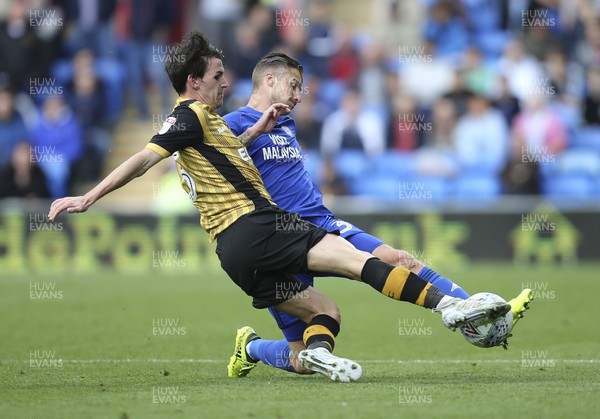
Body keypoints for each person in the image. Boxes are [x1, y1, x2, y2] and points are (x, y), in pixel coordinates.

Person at [48, 31, 514, 383]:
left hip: (234, 252)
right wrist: (88, 196)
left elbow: (221, 158)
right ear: (194, 81)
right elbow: (146, 158)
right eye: (216, 76)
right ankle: (452, 307)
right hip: (272, 228)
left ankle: (260, 350)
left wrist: (256, 132)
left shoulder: (221, 124)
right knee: (365, 264)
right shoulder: (192, 115)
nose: (223, 81)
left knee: (321, 321)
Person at [223, 52, 533, 377]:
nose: (299, 96)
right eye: (294, 86)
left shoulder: (285, 121)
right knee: (302, 362)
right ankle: (251, 347)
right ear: (269, 80)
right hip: (278, 238)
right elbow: (215, 171)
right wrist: (250, 136)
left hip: (320, 225)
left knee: (399, 259)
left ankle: (474, 307)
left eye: (301, 89)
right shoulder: (233, 125)